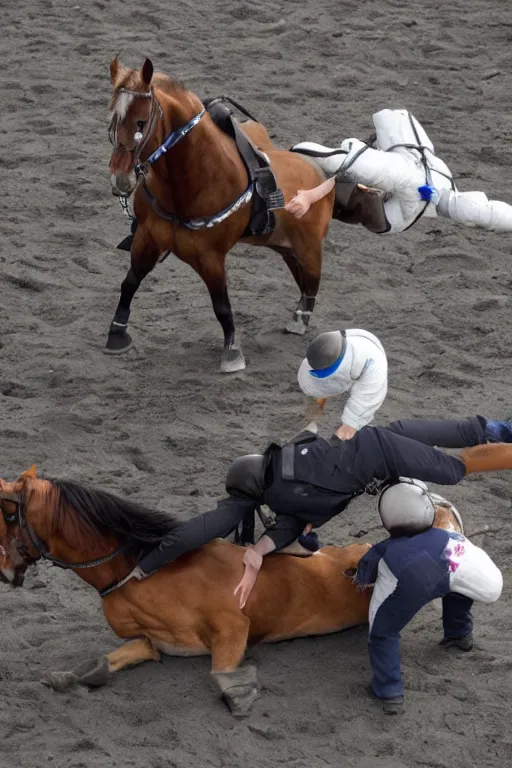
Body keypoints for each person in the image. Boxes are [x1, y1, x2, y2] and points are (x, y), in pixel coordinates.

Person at [129, 414, 512, 603]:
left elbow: (206, 526)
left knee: (454, 468)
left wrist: (148, 564)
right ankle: (499, 428)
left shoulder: (282, 495)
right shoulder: (286, 466)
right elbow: (288, 525)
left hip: (382, 454)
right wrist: (259, 552)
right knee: (454, 431)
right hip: (378, 436)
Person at [356, 478, 503, 715]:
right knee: (457, 585)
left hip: (409, 578)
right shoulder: (453, 535)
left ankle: (389, 692)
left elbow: (365, 575)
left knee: (383, 632)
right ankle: (460, 634)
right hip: (470, 564)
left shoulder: (385, 549)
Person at [285, 108, 512, 235]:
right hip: (418, 197)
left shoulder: (396, 169)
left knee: (344, 166)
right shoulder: (405, 166)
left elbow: (334, 161)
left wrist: (288, 153)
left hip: (410, 194)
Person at [297, 328, 388, 441]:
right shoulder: (326, 346)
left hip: (367, 365)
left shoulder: (374, 370)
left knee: (350, 425)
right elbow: (311, 380)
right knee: (318, 392)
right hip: (348, 344)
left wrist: (342, 435)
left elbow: (363, 406)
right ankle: (313, 417)